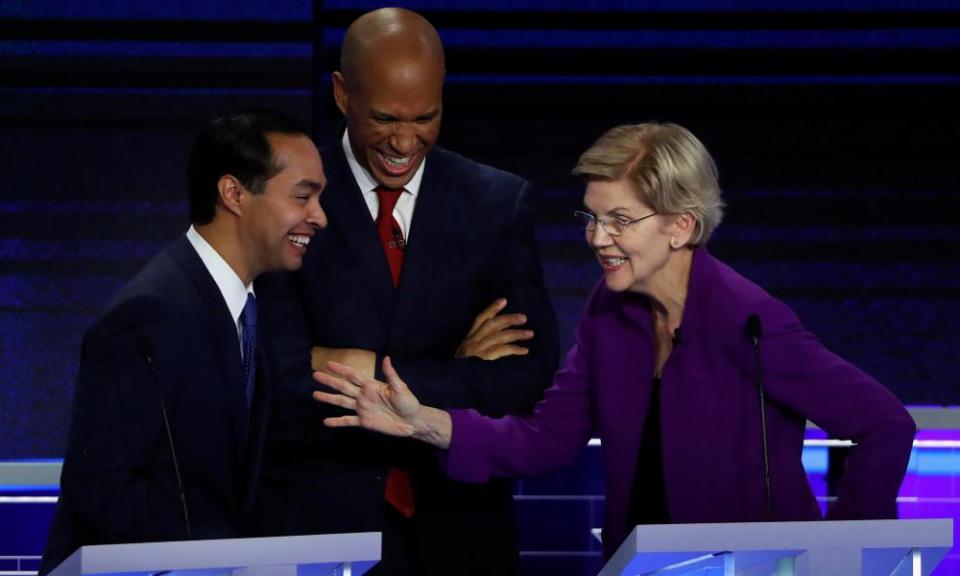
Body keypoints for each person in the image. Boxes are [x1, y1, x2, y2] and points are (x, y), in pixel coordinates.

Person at [312, 122, 917, 561]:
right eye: (591, 217)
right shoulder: (612, 312)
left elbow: (887, 425)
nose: (597, 238)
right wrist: (425, 423)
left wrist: (838, 552)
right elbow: (546, 440)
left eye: (620, 220)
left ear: (682, 226)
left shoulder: (750, 319)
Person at [253, 7, 558, 575]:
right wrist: (456, 366)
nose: (404, 140)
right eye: (386, 118)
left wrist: (366, 367)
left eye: (425, 118)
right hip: (322, 534)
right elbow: (279, 381)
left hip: (464, 535)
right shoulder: (287, 196)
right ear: (343, 94)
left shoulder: (494, 204)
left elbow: (527, 377)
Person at [39, 109, 327, 574]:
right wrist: (218, 557)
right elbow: (102, 487)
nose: (320, 217)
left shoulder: (253, 310)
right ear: (234, 193)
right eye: (303, 196)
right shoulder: (147, 316)